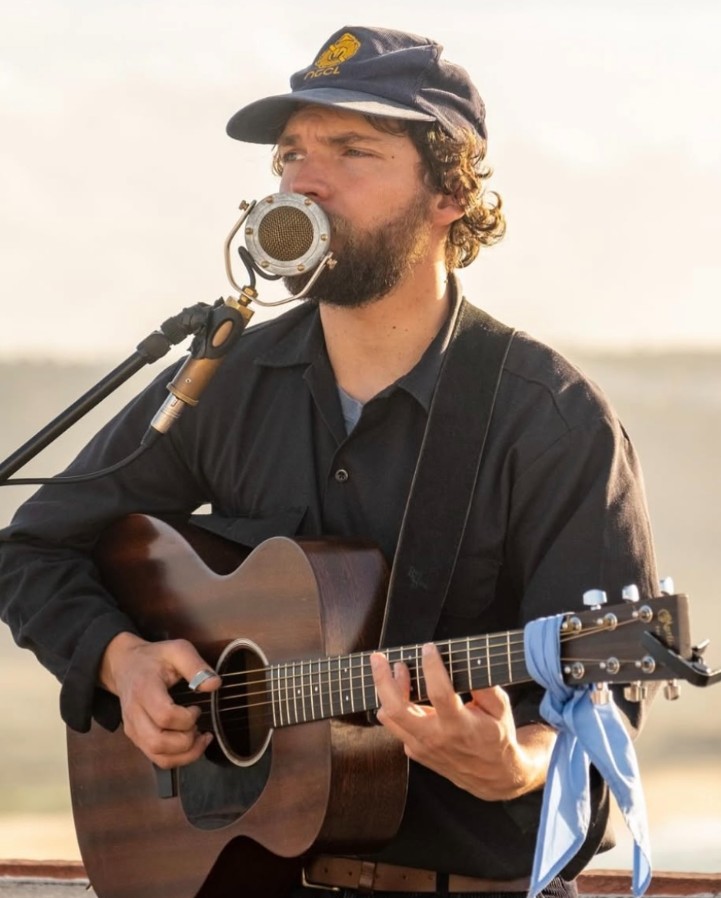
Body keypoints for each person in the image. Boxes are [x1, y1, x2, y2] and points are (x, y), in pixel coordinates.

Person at [0, 24, 658, 898]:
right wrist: (120, 661)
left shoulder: (549, 419)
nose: (303, 181)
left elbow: (602, 703)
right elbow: (33, 547)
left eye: (351, 151)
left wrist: (519, 762)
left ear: (448, 194)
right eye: (290, 155)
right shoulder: (224, 381)